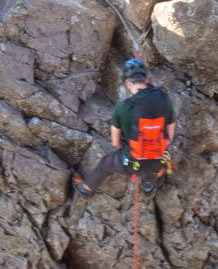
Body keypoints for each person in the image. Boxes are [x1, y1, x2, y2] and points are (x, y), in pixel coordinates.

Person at [73, 58, 176, 199]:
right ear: (146, 79)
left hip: (132, 161)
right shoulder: (164, 98)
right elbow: (169, 136)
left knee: (105, 164)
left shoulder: (123, 107)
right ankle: (148, 186)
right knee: (153, 166)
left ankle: (86, 189)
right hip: (157, 158)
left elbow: (115, 142)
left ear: (127, 82)